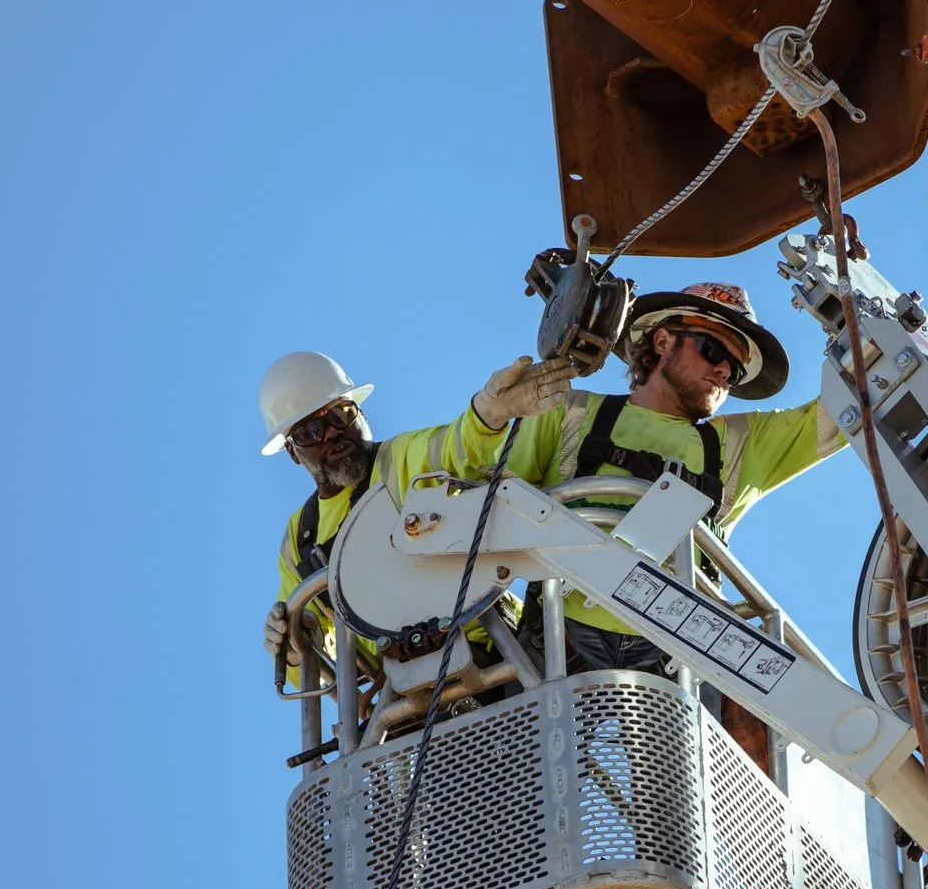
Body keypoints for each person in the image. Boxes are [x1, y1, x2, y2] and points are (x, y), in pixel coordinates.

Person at [447, 282, 845, 763]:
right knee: (511, 797)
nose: (723, 371)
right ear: (662, 342)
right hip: (559, 633)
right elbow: (479, 491)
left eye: (734, 369)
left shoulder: (741, 444)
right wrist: (489, 417)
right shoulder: (570, 413)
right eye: (712, 349)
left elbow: (846, 411)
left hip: (677, 650)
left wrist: (894, 334)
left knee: (682, 822)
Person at [259, 350, 567, 696]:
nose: (330, 434)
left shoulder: (399, 460)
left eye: (340, 414)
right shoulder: (301, 539)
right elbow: (309, 639)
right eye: (310, 431)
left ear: (360, 414)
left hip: (501, 655)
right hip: (408, 697)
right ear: (292, 451)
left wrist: (489, 413)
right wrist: (291, 650)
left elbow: (454, 447)